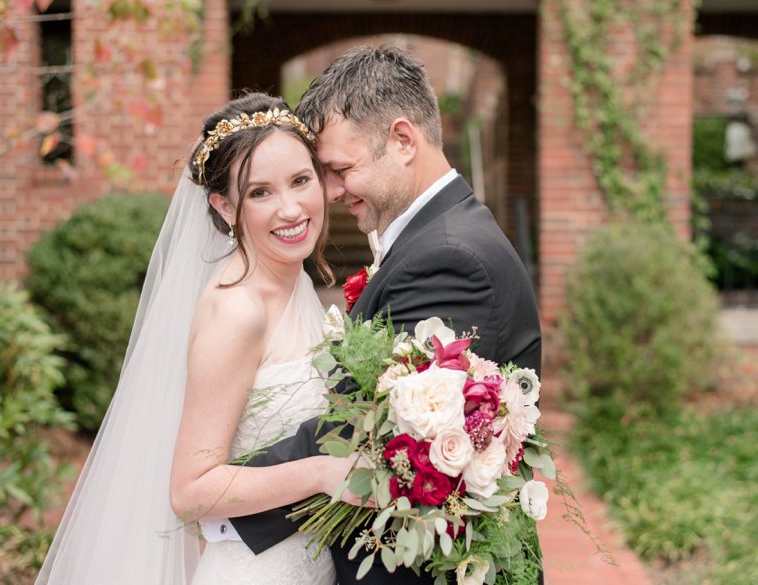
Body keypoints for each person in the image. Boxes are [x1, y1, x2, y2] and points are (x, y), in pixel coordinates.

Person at [227, 45, 543, 584]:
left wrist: (221, 495)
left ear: (402, 140)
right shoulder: (438, 237)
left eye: (339, 169)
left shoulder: (450, 259)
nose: (327, 192)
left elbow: (368, 433)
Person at [36, 92, 360, 584]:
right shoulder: (238, 310)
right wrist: (320, 472)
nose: (291, 208)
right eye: (260, 193)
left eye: (300, 180)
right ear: (224, 206)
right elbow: (191, 490)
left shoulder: (292, 284)